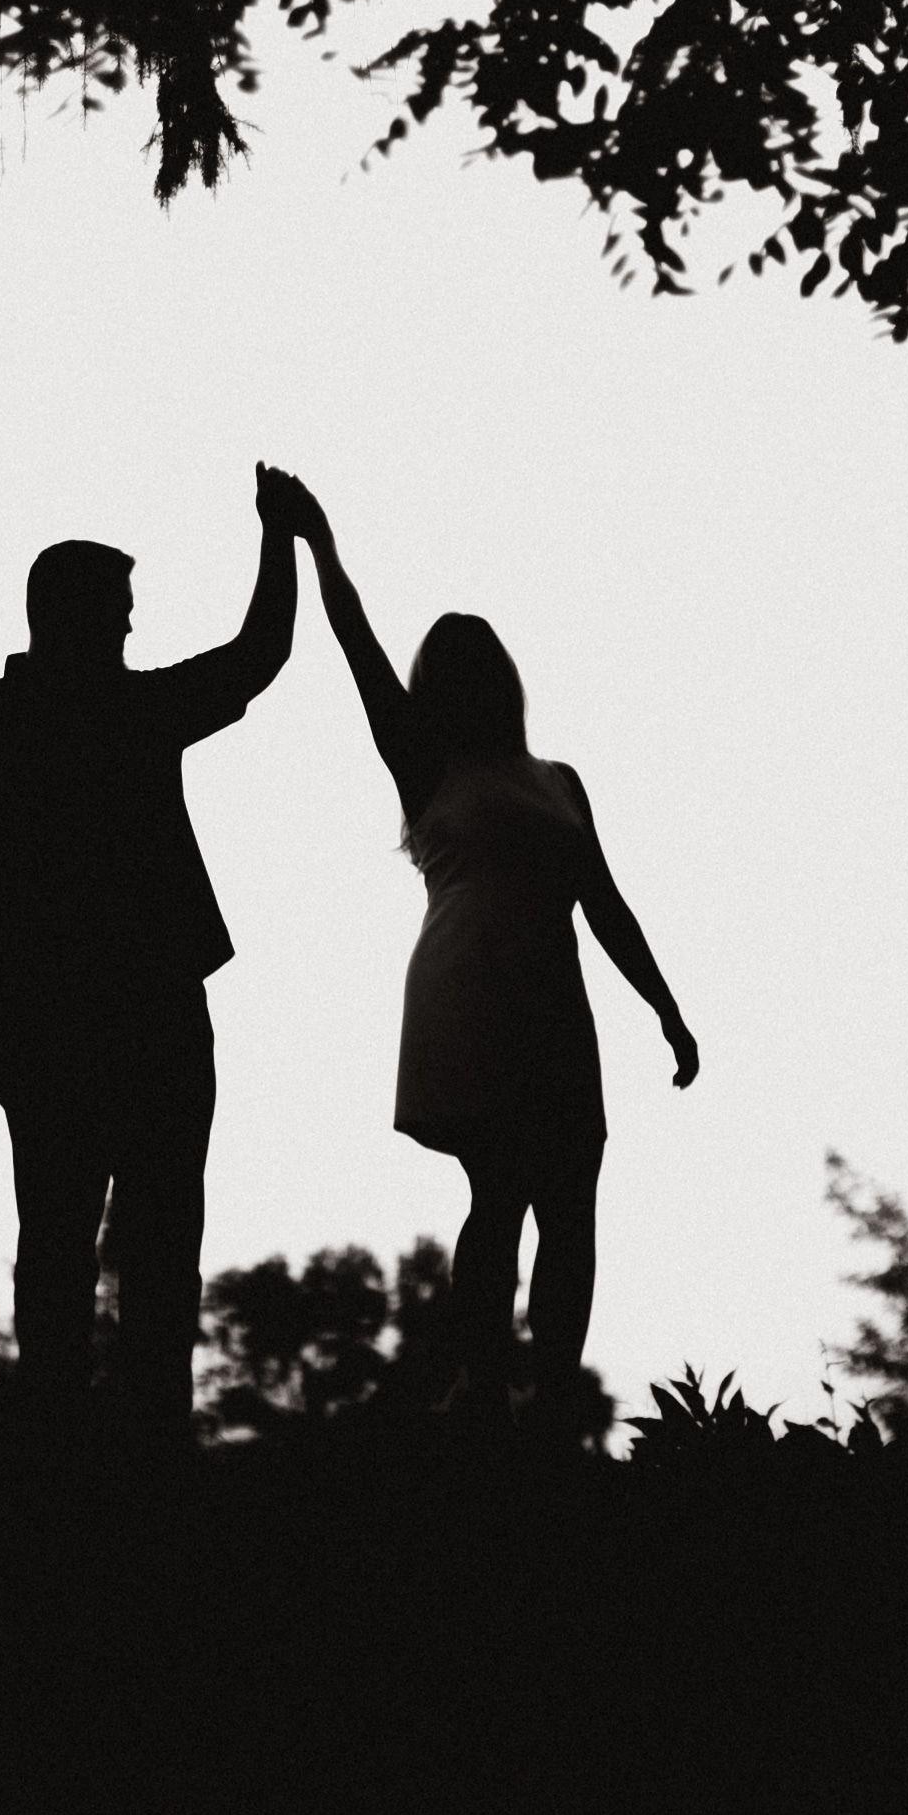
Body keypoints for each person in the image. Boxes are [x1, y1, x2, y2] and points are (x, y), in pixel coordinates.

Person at [267, 471, 695, 1431]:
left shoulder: (559, 780)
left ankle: (551, 1395)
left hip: (555, 1000)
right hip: (470, 993)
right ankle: (485, 1391)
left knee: (572, 1202)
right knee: (501, 1193)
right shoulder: (424, 764)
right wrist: (317, 543)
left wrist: (666, 1009)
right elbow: (356, 642)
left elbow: (604, 903)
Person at [0, 477, 300, 1443]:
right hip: (119, 1018)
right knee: (123, 1243)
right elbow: (258, 655)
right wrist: (280, 538)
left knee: (71, 1240)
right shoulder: (115, 713)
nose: (129, 626)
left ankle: (79, 1444)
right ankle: (121, 1443)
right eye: (119, 610)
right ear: (73, 617)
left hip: (67, 1017)